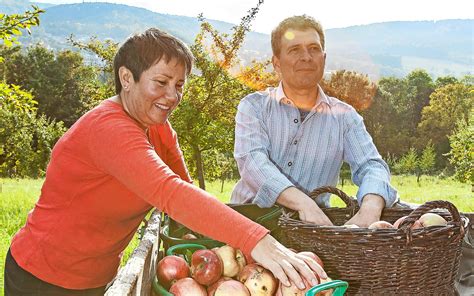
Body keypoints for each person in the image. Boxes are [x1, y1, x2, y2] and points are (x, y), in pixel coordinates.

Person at [3, 28, 326, 295]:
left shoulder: (157, 128)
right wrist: (260, 242)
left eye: (179, 85)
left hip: (96, 278)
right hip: (41, 277)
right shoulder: (108, 128)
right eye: (161, 83)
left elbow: (185, 193)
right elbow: (170, 192)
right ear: (126, 78)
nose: (172, 96)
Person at [231, 15, 398, 227]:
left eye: (313, 48)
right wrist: (304, 204)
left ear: (324, 58)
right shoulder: (254, 107)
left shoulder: (344, 117)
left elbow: (371, 165)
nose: (306, 57)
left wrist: (371, 208)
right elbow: (252, 161)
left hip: (312, 230)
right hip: (248, 222)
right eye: (294, 50)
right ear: (277, 63)